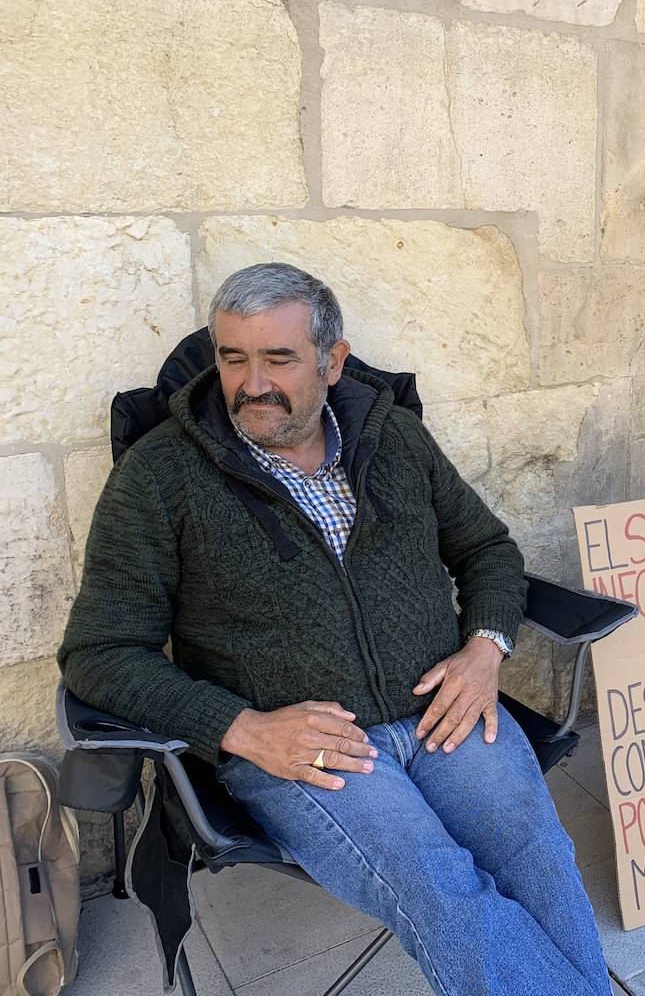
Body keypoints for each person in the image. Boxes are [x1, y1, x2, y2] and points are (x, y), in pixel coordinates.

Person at [58, 263, 610, 996]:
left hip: (443, 705)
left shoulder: (397, 440)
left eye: (278, 358)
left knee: (537, 851)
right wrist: (242, 727)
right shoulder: (160, 478)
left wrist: (485, 649)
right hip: (300, 745)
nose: (251, 383)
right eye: (232, 357)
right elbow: (98, 653)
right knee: (439, 886)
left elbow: (488, 551)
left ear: (332, 360)